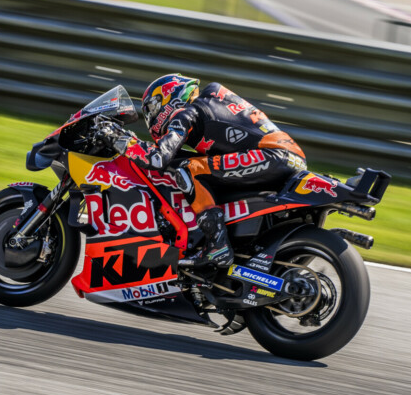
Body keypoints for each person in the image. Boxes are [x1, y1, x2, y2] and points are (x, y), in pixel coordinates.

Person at [130, 73, 307, 272]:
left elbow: (158, 158)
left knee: (189, 170)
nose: (152, 117)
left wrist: (124, 142)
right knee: (200, 167)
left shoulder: (187, 113)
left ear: (170, 97)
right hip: (288, 157)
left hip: (272, 155)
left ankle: (217, 245)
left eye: (153, 109)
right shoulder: (212, 104)